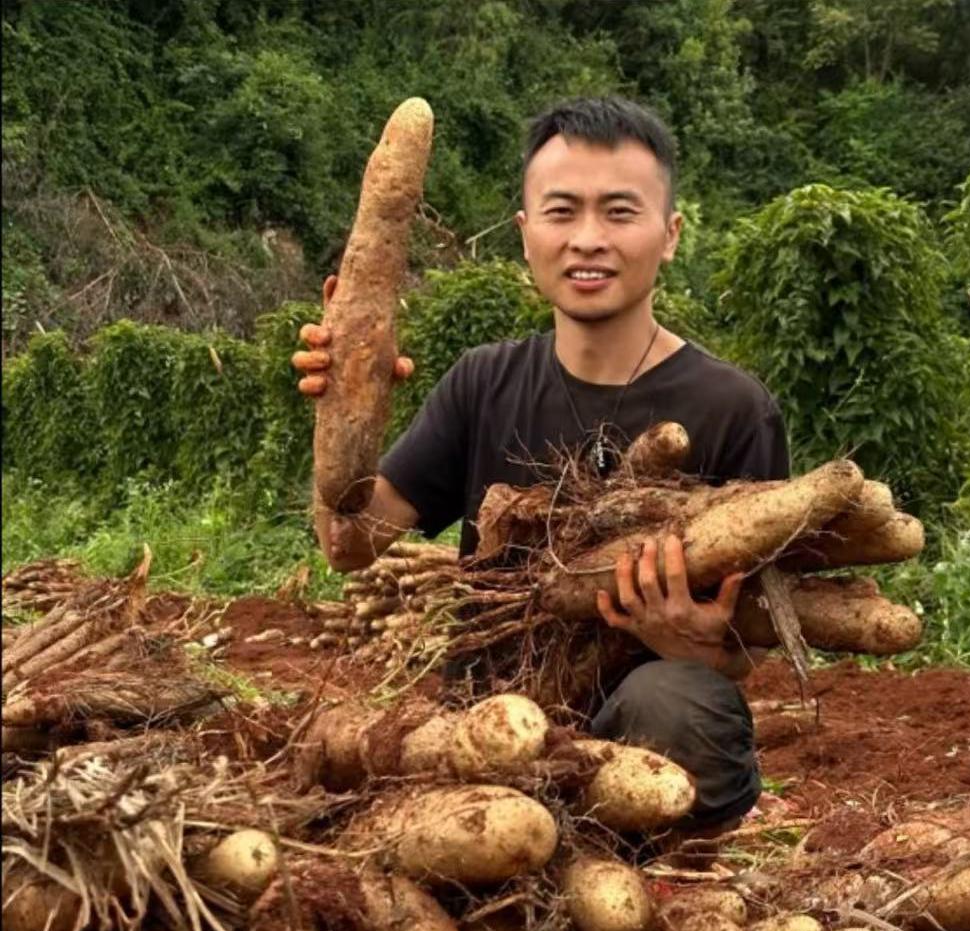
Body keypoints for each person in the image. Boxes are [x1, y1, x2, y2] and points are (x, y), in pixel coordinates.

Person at [293, 96, 789, 832]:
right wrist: (342, 417)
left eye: (619, 212)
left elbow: (748, 649)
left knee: (679, 701)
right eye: (562, 212)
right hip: (486, 740)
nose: (588, 239)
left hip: (642, 768)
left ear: (671, 234)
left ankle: (667, 884)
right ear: (527, 235)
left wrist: (696, 648)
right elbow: (348, 545)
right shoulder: (482, 381)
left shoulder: (733, 408)